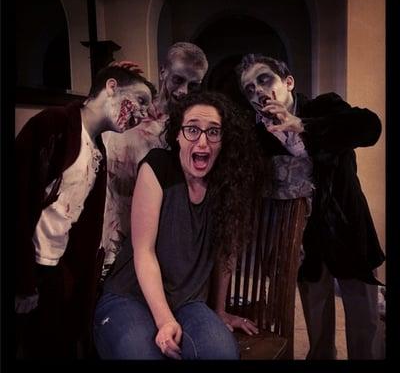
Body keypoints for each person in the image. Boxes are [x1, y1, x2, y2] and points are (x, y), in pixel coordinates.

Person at [229, 53, 385, 359]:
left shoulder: (325, 107)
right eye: (249, 89)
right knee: (318, 335)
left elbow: (370, 127)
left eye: (264, 79)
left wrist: (301, 125)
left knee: (365, 328)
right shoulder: (257, 136)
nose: (258, 91)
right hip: (303, 244)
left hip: (350, 233)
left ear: (288, 82)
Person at [93, 91, 261, 359]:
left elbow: (226, 252)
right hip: (131, 295)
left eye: (213, 132)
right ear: (178, 136)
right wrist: (165, 321)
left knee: (222, 354)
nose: (202, 141)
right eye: (192, 130)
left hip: (187, 302)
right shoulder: (158, 166)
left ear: (224, 140)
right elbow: (144, 252)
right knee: (142, 355)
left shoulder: (228, 182)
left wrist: (219, 310)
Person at [15, 65, 156, 358]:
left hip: (55, 274)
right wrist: (22, 280)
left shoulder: (98, 151)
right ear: (112, 87)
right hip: (26, 269)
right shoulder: (52, 124)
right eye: (140, 100)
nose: (143, 113)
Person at [100, 42, 209, 279]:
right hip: (110, 220)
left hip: (154, 235)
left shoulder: (190, 131)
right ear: (163, 72)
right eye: (178, 80)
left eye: (194, 85)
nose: (184, 91)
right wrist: (111, 85)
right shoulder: (130, 108)